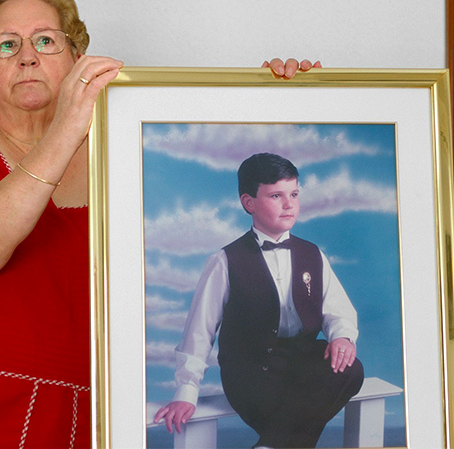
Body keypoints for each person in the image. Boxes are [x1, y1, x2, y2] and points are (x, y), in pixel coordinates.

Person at [0, 0, 318, 449]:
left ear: (76, 59)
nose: (28, 56)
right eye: (6, 45)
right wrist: (68, 126)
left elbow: (227, 195)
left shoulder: (128, 151)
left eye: (45, 41)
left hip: (108, 414)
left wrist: (284, 100)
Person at [153, 153, 365, 449]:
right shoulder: (225, 261)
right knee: (297, 409)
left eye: (294, 194)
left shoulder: (312, 254)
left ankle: (269, 445)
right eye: (276, 195)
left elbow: (338, 310)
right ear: (248, 203)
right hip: (251, 373)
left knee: (351, 370)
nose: (289, 204)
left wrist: (342, 336)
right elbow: (199, 333)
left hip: (300, 365)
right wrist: (186, 392)